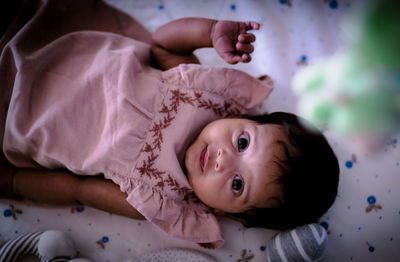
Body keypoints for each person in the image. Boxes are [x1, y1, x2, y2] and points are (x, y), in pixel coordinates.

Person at [0, 0, 339, 248]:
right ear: (250, 117)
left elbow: (79, 190)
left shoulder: (159, 199)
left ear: (232, 215)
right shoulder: (201, 95)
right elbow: (162, 42)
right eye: (242, 143)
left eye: (237, 185)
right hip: (56, 52)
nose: (224, 160)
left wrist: (15, 182)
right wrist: (209, 32)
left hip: (23, 120)